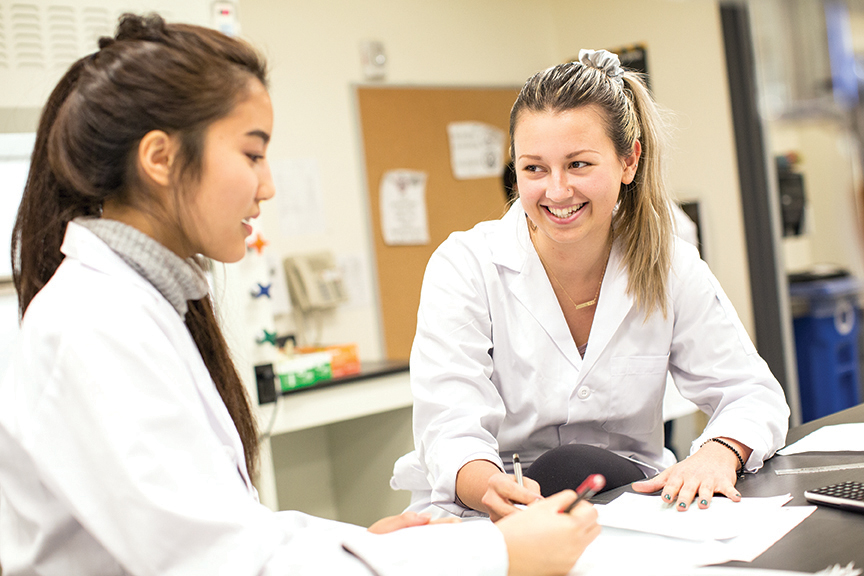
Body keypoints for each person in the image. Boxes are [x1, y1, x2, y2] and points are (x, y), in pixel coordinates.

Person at [0, 15, 600, 576]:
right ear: (159, 157)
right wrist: (492, 553)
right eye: (252, 153)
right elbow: (219, 561)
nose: (267, 186)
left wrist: (364, 546)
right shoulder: (92, 323)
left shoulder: (138, 306)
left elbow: (226, 530)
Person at [391, 49, 790, 521]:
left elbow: (751, 392)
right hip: (486, 513)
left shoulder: (669, 265)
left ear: (629, 161)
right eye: (534, 169)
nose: (556, 191)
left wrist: (718, 453)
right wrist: (492, 487)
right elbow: (449, 427)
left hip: (627, 502)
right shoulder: (466, 266)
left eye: (579, 164)